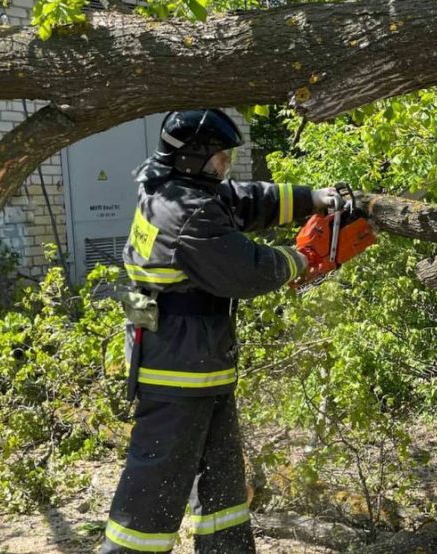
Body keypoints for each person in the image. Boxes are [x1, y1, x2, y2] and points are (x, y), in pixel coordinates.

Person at [102, 109, 337, 553]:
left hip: (198, 361)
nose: (225, 166)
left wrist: (314, 198)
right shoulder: (187, 213)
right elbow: (247, 270)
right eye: (219, 158)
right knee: (154, 486)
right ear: (192, 158)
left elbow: (248, 199)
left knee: (221, 482)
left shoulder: (176, 188)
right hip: (177, 370)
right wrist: (303, 257)